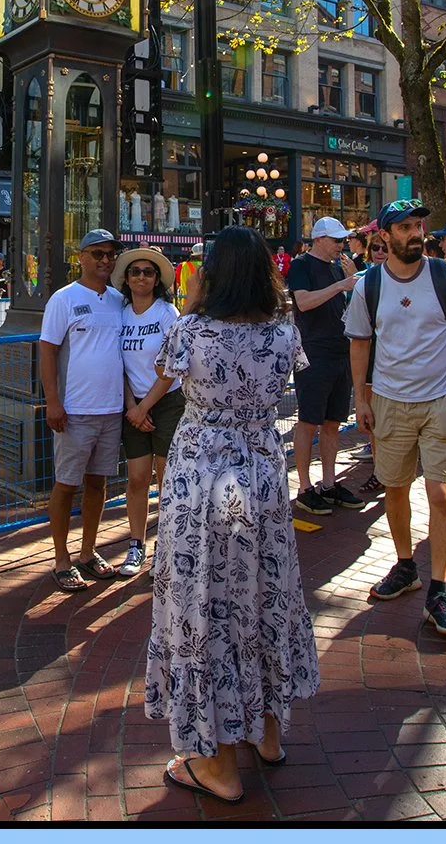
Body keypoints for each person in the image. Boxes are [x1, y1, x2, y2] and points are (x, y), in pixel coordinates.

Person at [132, 226, 320, 804]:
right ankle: (268, 734)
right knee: (262, 593)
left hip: (202, 480)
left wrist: (194, 300)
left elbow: (169, 374)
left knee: (205, 600)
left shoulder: (192, 329)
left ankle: (216, 765)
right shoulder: (283, 332)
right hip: (261, 475)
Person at [344, 199, 446, 637]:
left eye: (418, 225)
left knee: (440, 494)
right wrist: (361, 398)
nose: (415, 233)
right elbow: (360, 342)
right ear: (384, 236)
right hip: (389, 400)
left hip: (442, 399)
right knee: (396, 489)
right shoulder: (369, 285)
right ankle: (405, 566)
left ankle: (439, 591)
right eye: (404, 227)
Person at [39, 229, 127, 591]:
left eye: (110, 254)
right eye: (97, 253)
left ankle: (88, 551)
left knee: (98, 483)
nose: (105, 260)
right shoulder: (63, 299)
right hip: (75, 410)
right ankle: (61, 558)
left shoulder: (119, 300)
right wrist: (53, 401)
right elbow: (47, 350)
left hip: (112, 409)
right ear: (82, 257)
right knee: (65, 484)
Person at [284, 216, 366, 516]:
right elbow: (303, 302)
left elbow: (350, 304)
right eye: (336, 240)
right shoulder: (302, 265)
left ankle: (329, 483)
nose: (340, 245)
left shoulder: (338, 266)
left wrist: (354, 283)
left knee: (333, 422)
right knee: (308, 420)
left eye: (343, 240)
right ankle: (305, 487)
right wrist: (341, 284)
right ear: (319, 239)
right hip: (313, 352)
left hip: (340, 349)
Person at [115, 246, 182, 578]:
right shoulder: (121, 314)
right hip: (133, 405)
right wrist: (132, 407)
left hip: (166, 401)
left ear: (157, 280)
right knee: (137, 478)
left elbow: (172, 366)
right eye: (135, 271)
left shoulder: (167, 313)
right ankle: (136, 543)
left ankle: (166, 546)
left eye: (148, 272)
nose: (141, 277)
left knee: (166, 477)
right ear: (126, 279)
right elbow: (119, 365)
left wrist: (144, 407)